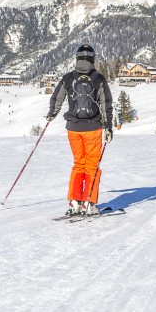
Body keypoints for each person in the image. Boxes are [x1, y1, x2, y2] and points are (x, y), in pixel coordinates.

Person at [46, 44, 114, 217]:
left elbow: (57, 98)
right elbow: (106, 104)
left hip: (73, 129)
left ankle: (75, 201)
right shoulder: (99, 79)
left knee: (79, 164)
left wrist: (51, 114)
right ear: (92, 58)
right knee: (92, 165)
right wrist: (108, 127)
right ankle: (89, 203)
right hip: (93, 128)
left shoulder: (68, 78)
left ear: (77, 58)